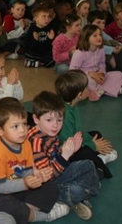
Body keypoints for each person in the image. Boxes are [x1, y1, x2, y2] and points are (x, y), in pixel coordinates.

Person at [0, 97, 63, 224]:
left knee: (51, 188)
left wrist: (37, 177)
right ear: (0, 130)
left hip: (17, 187)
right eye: (15, 126)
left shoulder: (25, 143)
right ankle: (41, 216)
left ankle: (24, 212)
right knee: (6, 203)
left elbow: (27, 171)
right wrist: (25, 183)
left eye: (24, 124)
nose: (22, 130)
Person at [28, 91, 100, 220]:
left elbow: (54, 154)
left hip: (58, 171)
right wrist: (65, 156)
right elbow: (47, 177)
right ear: (36, 119)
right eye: (49, 120)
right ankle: (82, 194)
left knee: (88, 163)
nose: (55, 125)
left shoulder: (49, 132)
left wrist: (69, 151)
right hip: (46, 184)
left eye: (59, 120)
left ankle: (84, 193)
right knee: (77, 189)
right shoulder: (36, 142)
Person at [55, 70, 117, 179]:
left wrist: (92, 141)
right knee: (87, 152)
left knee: (95, 134)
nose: (89, 89)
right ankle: (98, 165)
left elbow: (78, 132)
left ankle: (98, 155)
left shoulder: (72, 105)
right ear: (79, 95)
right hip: (65, 151)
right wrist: (92, 145)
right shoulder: (64, 115)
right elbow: (68, 142)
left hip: (74, 140)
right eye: (87, 88)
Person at [70, 25, 122, 101]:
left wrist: (102, 74)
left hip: (97, 75)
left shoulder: (101, 49)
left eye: (100, 35)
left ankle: (99, 91)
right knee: (89, 81)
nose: (99, 37)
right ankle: (107, 90)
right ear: (86, 38)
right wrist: (89, 73)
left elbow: (102, 64)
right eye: (95, 35)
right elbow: (72, 71)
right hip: (85, 76)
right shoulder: (79, 52)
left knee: (119, 74)